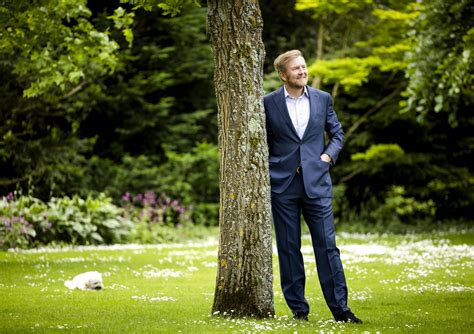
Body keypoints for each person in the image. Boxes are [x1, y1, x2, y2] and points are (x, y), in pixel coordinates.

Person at [264, 49, 362, 323]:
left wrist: (327, 156)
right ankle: (299, 311)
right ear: (283, 75)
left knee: (327, 247)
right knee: (288, 248)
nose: (302, 71)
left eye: (304, 66)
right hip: (283, 187)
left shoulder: (322, 99)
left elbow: (337, 133)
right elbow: (265, 142)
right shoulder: (268, 103)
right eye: (296, 68)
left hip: (317, 184)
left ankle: (341, 310)